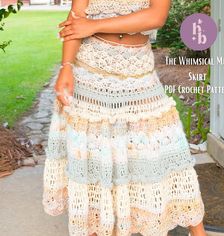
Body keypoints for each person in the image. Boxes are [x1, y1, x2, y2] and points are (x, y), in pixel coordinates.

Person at [42, 0, 206, 235]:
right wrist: (66, 66)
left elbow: (156, 16)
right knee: (96, 156)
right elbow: (75, 21)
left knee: (166, 148)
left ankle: (197, 230)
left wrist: (93, 25)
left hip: (138, 69)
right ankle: (100, 226)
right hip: (90, 72)